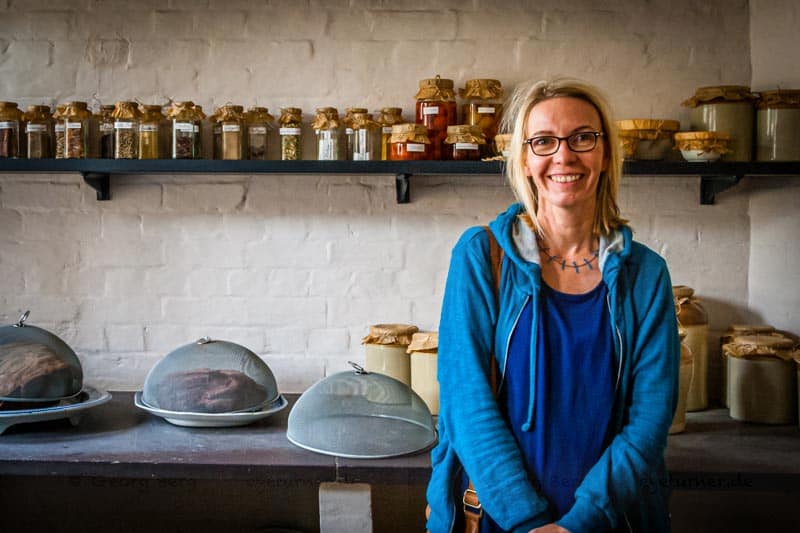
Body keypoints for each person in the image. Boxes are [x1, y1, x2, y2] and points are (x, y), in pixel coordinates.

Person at [426, 78, 680, 533]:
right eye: (543, 141)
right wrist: (529, 521)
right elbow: (466, 403)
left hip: (610, 520)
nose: (563, 155)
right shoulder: (483, 257)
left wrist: (577, 524)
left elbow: (649, 421)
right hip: (494, 518)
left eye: (583, 137)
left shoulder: (646, 274)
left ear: (605, 155)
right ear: (524, 159)